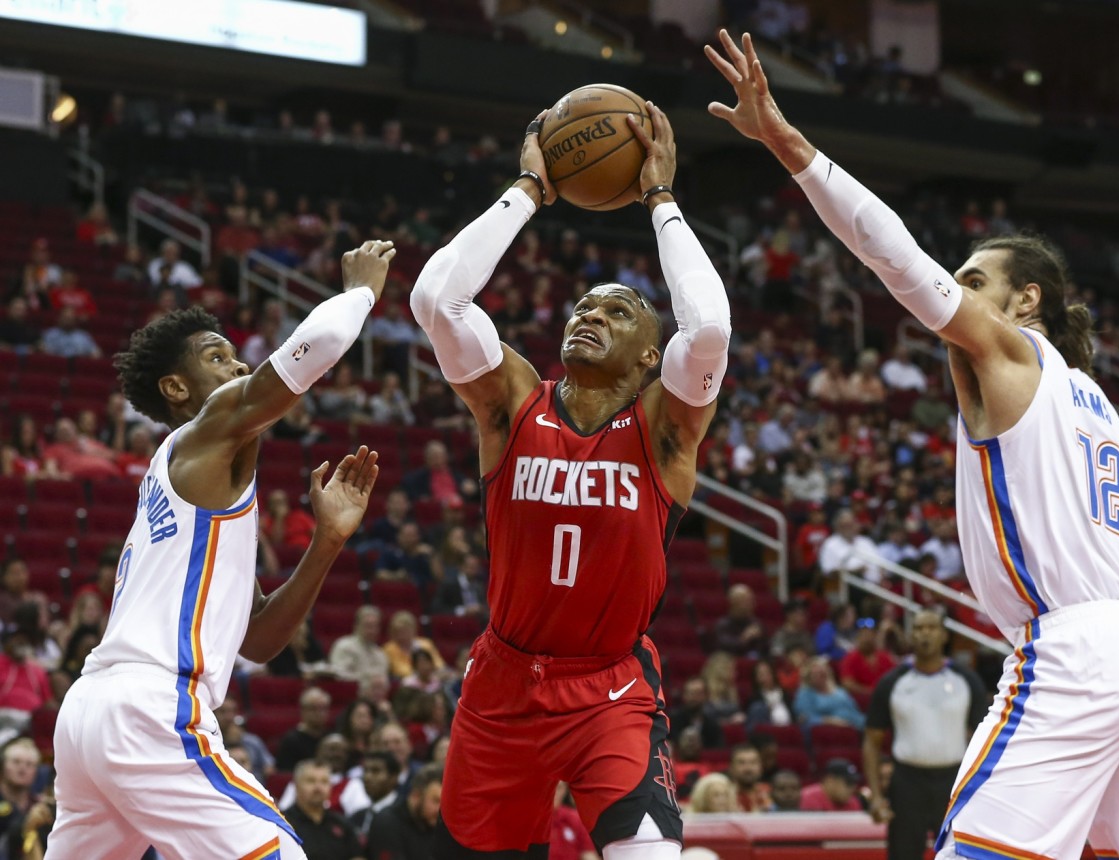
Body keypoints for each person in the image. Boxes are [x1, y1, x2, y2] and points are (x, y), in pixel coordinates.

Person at [708, 28, 1119, 859]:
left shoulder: (1013, 353)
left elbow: (894, 258)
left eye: (974, 280)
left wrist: (789, 145)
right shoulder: (1102, 410)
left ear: (1024, 300)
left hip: (1074, 649)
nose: (956, 292)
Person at [410, 103, 730, 859]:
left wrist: (661, 199)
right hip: (502, 686)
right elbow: (436, 300)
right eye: (585, 305)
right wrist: (529, 186)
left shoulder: (666, 426)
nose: (591, 314)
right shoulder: (512, 402)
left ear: (652, 357)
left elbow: (709, 327)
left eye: (618, 312)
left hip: (610, 688)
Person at [45, 240, 393, 860]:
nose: (238, 370)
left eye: (236, 357)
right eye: (219, 357)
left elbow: (256, 639)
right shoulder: (203, 435)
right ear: (177, 387)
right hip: (149, 707)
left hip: (90, 714)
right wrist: (359, 293)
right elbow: (297, 365)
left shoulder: (196, 487)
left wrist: (327, 541)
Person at [864, 610, 989, 860]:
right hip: (906, 783)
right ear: (911, 635)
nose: (925, 634)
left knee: (961, 855)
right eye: (919, 628)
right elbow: (871, 741)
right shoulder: (892, 682)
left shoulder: (967, 680)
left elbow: (984, 740)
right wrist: (876, 796)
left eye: (931, 627)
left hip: (953, 783)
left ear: (943, 635)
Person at [282, 760, 364, 860]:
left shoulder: (341, 823)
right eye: (311, 781)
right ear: (296, 785)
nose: (318, 787)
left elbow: (357, 856)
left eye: (324, 781)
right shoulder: (283, 824)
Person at [366, 765, 443, 860]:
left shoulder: (436, 825)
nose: (440, 809)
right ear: (416, 796)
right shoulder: (387, 822)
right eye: (436, 800)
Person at [798, 759, 863, 812]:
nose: (853, 788)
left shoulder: (853, 802)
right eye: (849, 783)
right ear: (830, 781)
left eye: (855, 783)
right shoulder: (808, 798)